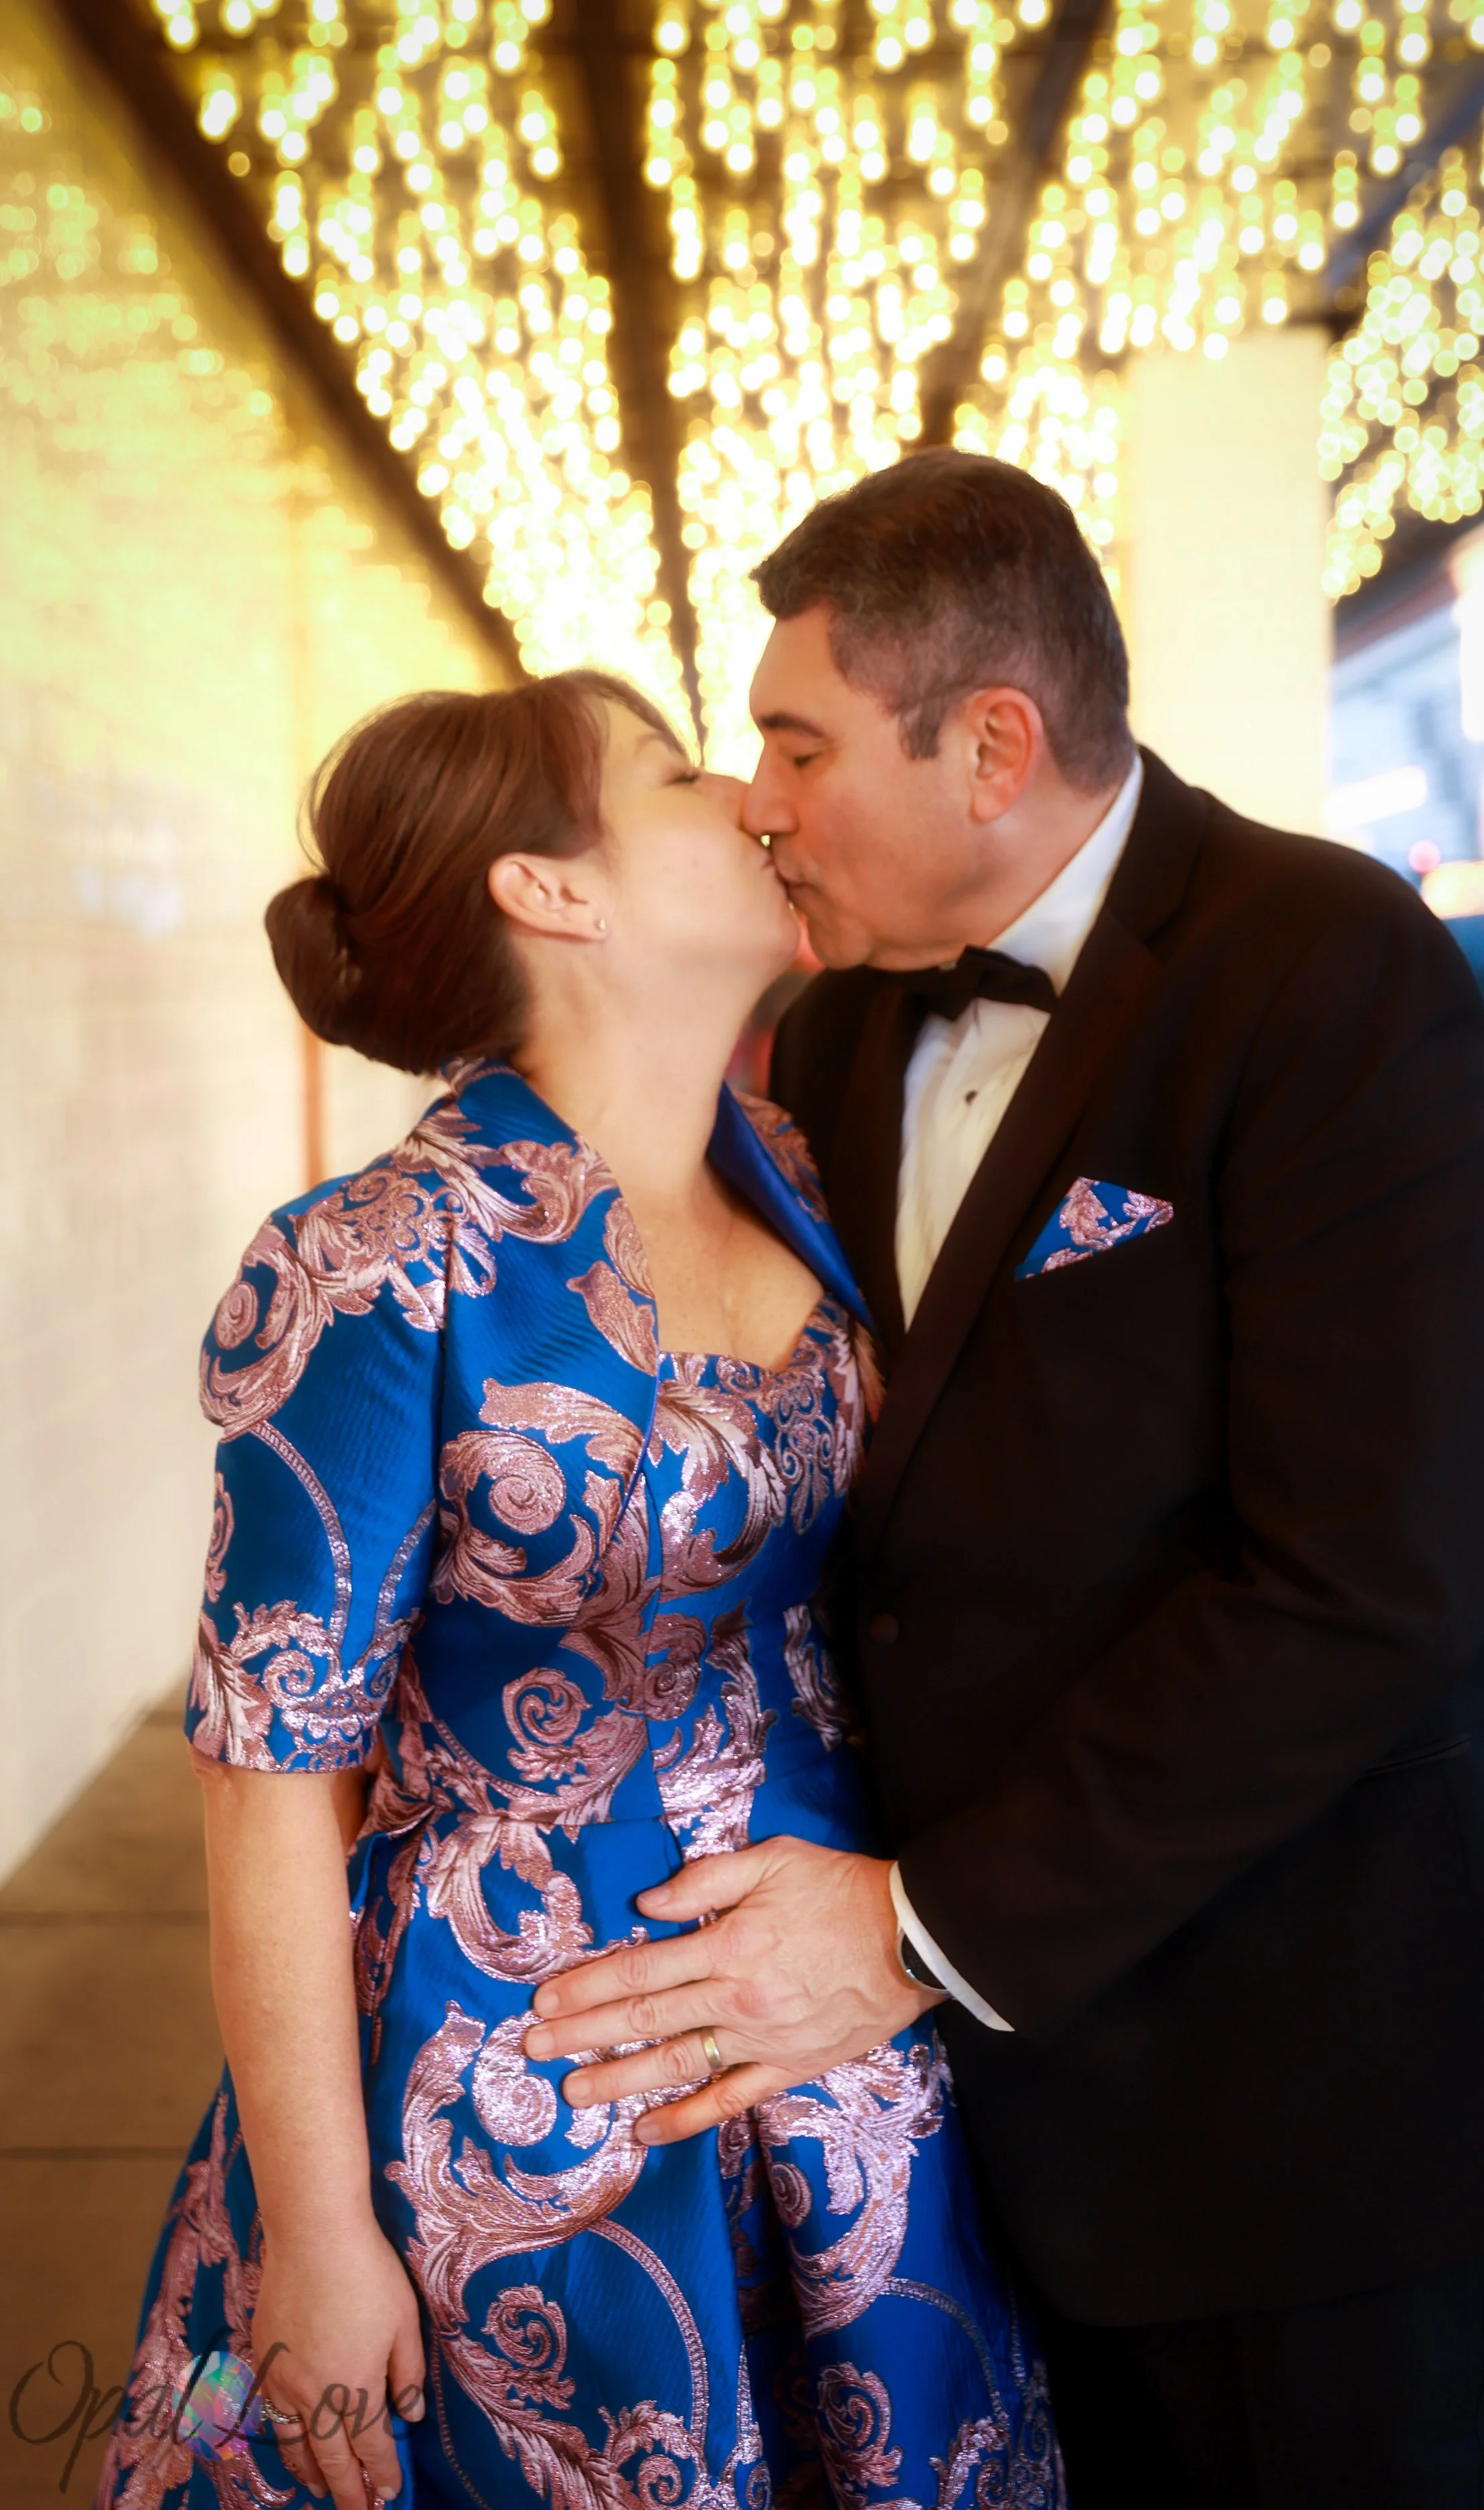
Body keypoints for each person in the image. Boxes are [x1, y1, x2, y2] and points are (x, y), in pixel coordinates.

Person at [525, 453, 1484, 2509]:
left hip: (1308, 2078)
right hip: (1006, 2097)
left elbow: (1363, 1580)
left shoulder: (1322, 965)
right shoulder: (855, 1036)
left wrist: (917, 1926)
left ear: (991, 742)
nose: (759, 794)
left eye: (796, 741)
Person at [100, 669, 1061, 2510]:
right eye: (684, 771)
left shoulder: (799, 1177)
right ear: (554, 890)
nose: (754, 801)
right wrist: (317, 2230)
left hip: (842, 2021)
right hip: (512, 2097)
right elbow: (266, 1779)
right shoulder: (373, 1261)